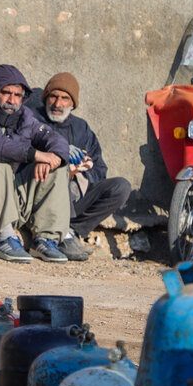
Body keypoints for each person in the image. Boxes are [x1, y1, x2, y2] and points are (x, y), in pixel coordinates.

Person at [0, 64, 73, 263]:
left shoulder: (25, 118)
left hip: (13, 199)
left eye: (18, 95)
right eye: (6, 93)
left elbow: (55, 139)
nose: (12, 100)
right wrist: (34, 154)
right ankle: (4, 236)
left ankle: (45, 239)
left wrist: (52, 157)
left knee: (56, 166)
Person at [37, 72, 132, 260]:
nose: (57, 104)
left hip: (75, 197)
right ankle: (61, 233)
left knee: (121, 187)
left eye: (65, 98)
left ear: (73, 103)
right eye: (53, 96)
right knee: (58, 168)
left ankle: (73, 230)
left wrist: (81, 172)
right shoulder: (33, 120)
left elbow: (99, 169)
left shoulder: (82, 129)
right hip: (42, 195)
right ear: (46, 98)